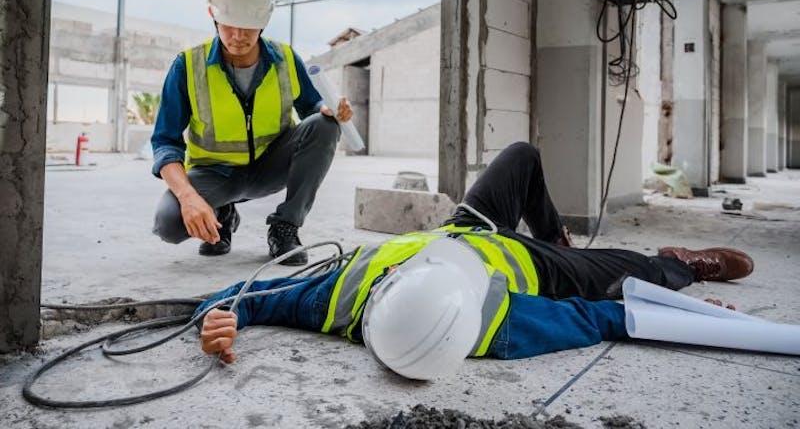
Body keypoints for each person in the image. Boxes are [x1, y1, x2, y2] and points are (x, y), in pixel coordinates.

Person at [196, 142, 754, 377]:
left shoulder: (335, 297)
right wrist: (685, 311)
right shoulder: (498, 328)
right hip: (535, 268)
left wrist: (223, 318)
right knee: (633, 269)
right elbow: (598, 318)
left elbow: (247, 297)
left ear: (382, 296)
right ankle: (680, 262)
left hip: (469, 229)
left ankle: (557, 234)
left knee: (521, 157)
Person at [151, 0, 353, 265]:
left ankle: (285, 226)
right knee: (169, 223)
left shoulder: (286, 59)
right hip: (216, 174)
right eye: (229, 26)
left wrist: (330, 109)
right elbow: (165, 142)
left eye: (247, 27)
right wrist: (189, 198)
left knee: (325, 126)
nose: (237, 36)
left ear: (264, 21)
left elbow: (313, 108)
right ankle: (223, 214)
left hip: (270, 168)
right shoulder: (187, 67)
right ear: (212, 15)